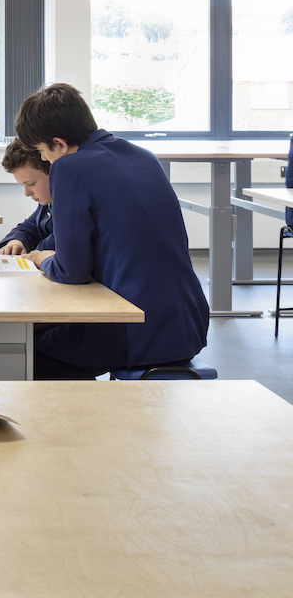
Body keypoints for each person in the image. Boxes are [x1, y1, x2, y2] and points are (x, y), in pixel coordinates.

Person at [14, 82, 210, 380]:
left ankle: (91, 425)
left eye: (42, 151)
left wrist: (44, 260)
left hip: (137, 330)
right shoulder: (143, 156)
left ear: (60, 143)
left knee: (27, 353)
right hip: (186, 322)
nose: (44, 160)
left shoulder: (68, 168)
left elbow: (71, 270)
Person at [0, 139, 53, 255]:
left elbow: (55, 244)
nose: (26, 193)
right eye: (23, 185)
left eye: (31, 184)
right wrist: (17, 242)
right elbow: (28, 228)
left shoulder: (69, 206)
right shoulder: (48, 204)